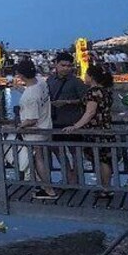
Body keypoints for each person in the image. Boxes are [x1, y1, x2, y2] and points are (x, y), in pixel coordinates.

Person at [63, 65, 115, 197]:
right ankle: (106, 187)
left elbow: (90, 112)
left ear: (91, 77)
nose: (84, 77)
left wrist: (76, 126)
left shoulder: (93, 92)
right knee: (104, 159)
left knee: (100, 160)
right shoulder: (105, 91)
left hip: (95, 130)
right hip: (106, 128)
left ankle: (105, 188)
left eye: (86, 74)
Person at [15, 60, 55, 199]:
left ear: (20, 75)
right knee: (42, 158)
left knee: (38, 159)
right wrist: (19, 89)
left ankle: (48, 189)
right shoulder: (41, 83)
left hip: (35, 132)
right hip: (46, 126)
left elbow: (32, 119)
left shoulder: (29, 97)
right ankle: (43, 184)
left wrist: (19, 127)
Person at [46, 52, 88, 184]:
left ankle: (76, 179)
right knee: (57, 150)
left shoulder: (76, 82)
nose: (66, 68)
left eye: (69, 66)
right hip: (55, 121)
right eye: (63, 65)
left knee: (75, 152)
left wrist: (68, 102)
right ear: (56, 65)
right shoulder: (50, 80)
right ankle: (69, 176)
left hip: (72, 121)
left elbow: (86, 100)